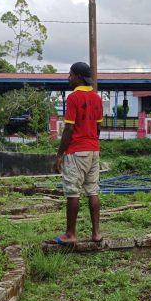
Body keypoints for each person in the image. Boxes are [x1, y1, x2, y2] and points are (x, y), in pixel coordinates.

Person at [46, 62, 103, 245]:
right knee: (92, 191)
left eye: (70, 74)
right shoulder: (97, 98)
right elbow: (98, 127)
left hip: (77, 151)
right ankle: (96, 233)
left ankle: (70, 234)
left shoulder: (73, 98)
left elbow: (69, 129)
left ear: (78, 76)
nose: (68, 78)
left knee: (72, 192)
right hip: (94, 150)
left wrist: (59, 154)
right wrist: (91, 142)